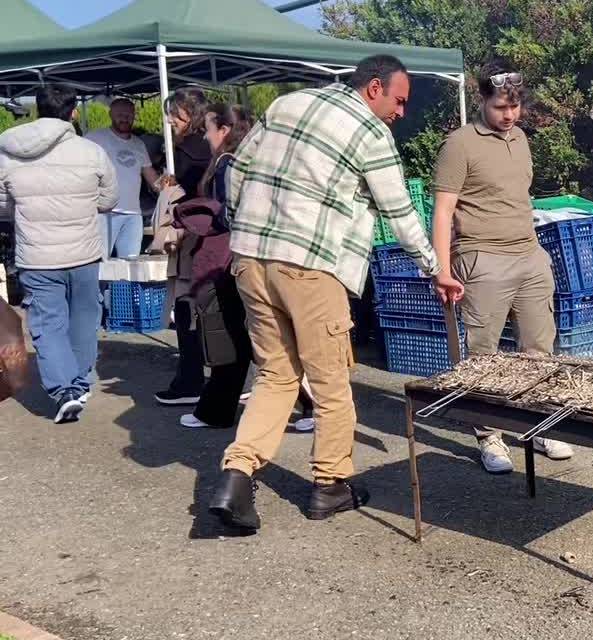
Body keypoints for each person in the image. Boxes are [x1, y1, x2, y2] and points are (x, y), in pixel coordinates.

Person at [209, 55, 447, 531]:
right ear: (374, 87)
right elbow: (398, 212)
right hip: (312, 267)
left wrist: (243, 227)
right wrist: (435, 267)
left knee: (277, 374)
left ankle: (236, 474)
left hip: (251, 260)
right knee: (331, 380)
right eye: (399, 100)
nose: (401, 112)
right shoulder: (369, 132)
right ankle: (330, 483)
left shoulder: (288, 103)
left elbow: (235, 171)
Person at [431, 64, 574, 474]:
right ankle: (490, 436)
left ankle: (537, 424)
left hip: (529, 255)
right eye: (499, 107)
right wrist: (443, 269)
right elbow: (443, 212)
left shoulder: (521, 139)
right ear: (481, 101)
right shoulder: (459, 144)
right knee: (484, 356)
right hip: (482, 260)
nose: (508, 115)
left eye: (514, 107)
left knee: (539, 350)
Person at [172, 103, 317, 432]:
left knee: (245, 338)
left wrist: (200, 212)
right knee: (243, 338)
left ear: (224, 131)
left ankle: (311, 403)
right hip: (240, 260)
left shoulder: (227, 166)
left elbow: (231, 214)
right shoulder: (241, 162)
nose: (205, 136)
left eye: (208, 128)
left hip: (232, 260)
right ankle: (217, 409)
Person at [0, 84, 118, 422]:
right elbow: (108, 199)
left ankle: (63, 389)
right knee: (84, 319)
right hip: (83, 252)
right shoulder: (90, 151)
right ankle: (78, 383)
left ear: (38, 108)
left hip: (36, 256)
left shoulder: (8, 152)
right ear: (73, 112)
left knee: (48, 324)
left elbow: (3, 205)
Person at [154, 87, 213, 406]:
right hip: (211, 239)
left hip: (191, 238)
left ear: (187, 115)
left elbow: (191, 195)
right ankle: (216, 377)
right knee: (213, 311)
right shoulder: (210, 148)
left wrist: (173, 191)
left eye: (173, 114)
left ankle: (189, 380)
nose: (169, 120)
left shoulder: (187, 152)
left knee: (187, 307)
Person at [84, 98, 162, 259]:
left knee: (130, 266)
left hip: (133, 215)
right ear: (110, 114)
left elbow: (151, 176)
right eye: (120, 114)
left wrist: (168, 188)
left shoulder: (139, 144)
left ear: (134, 116)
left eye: (128, 115)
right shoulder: (94, 138)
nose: (124, 118)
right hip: (104, 213)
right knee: (100, 263)